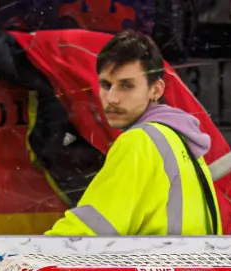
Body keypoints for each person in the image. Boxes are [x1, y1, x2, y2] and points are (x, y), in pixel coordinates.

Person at [46, 30, 221, 237]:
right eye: (106, 85)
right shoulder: (180, 141)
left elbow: (83, 236)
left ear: (156, 90)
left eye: (126, 86)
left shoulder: (140, 142)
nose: (112, 98)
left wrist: (28, 254)